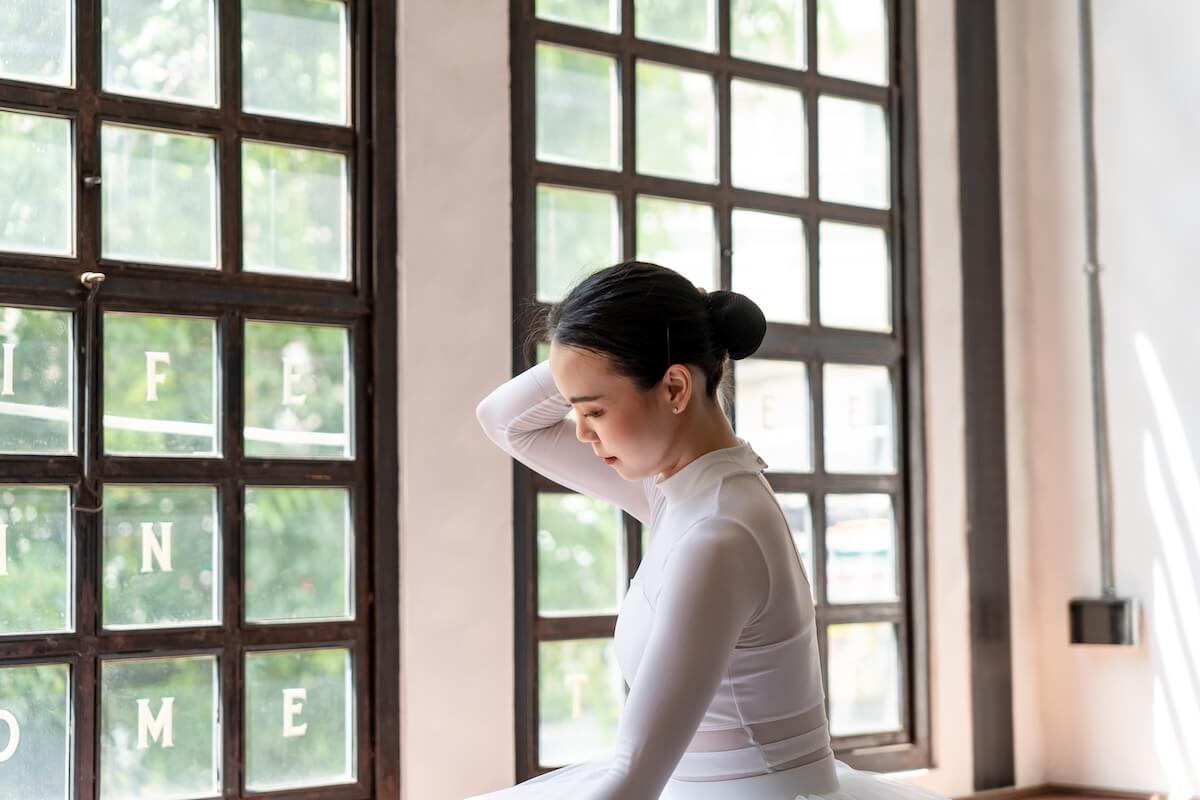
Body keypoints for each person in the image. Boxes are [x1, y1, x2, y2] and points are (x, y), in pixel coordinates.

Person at [470, 261, 946, 800]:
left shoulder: (718, 534)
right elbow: (503, 420)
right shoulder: (684, 493)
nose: (580, 431)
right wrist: (594, 343)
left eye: (595, 410)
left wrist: (627, 342)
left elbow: (634, 778)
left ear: (674, 386)